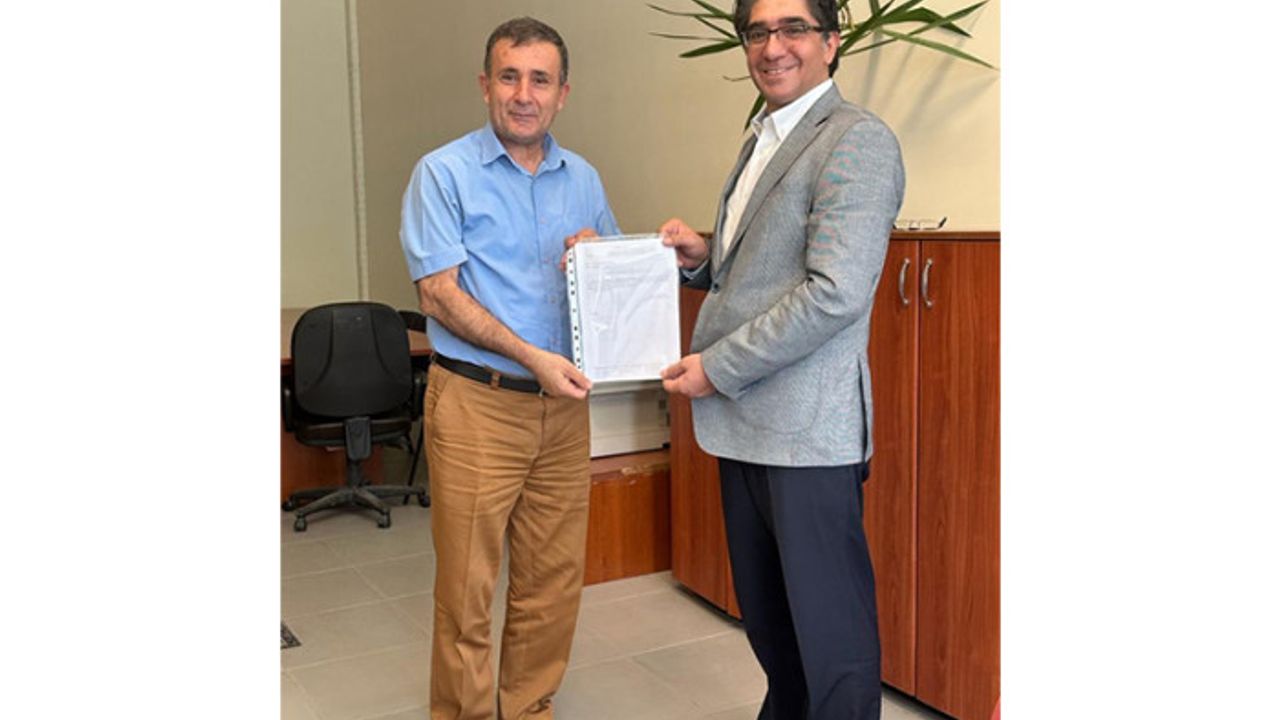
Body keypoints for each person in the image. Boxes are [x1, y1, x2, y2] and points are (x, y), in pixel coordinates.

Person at [658, 0, 905, 718]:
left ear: (831, 42)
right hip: (745, 425)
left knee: (833, 643)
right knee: (774, 629)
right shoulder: (763, 137)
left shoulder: (855, 140)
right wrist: (704, 257)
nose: (773, 47)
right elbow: (765, 271)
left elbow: (834, 293)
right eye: (758, 31)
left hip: (806, 431)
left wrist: (715, 367)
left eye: (793, 28)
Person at [398, 16, 619, 720]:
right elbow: (438, 293)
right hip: (478, 404)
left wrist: (597, 256)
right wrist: (532, 358)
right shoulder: (443, 173)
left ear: (563, 93)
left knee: (552, 583)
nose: (524, 94)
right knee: (466, 589)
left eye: (540, 80)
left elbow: (614, 286)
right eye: (510, 77)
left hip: (563, 411)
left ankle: (528, 709)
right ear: (485, 84)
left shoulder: (584, 178)